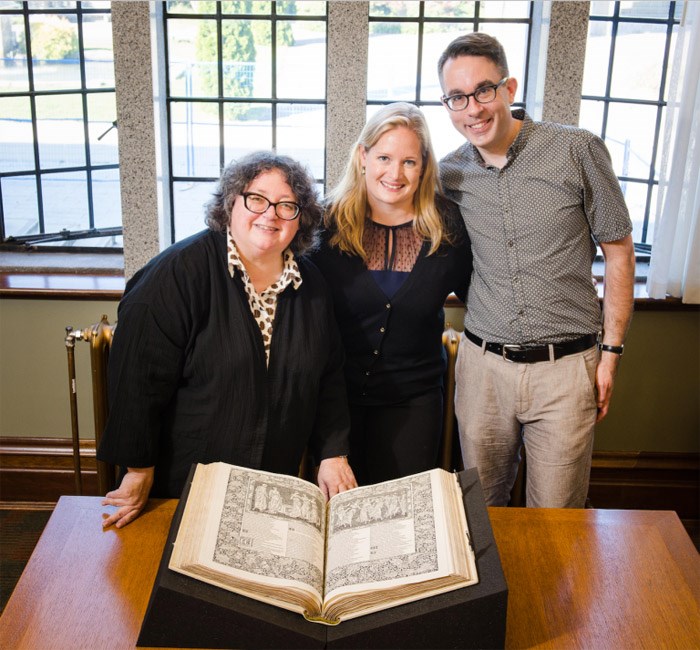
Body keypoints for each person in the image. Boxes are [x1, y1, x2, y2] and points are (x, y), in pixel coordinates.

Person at [97, 151, 357, 528]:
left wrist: (333, 453)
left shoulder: (311, 283)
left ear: (300, 220)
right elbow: (138, 382)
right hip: (186, 488)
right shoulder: (175, 276)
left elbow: (328, 375)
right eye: (256, 199)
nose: (270, 214)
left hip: (273, 487)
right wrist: (138, 470)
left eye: (287, 206)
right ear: (230, 203)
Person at [437, 33, 636, 508]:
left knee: (558, 518)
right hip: (482, 370)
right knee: (481, 513)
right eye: (457, 98)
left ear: (508, 88)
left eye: (483, 90)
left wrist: (610, 354)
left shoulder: (577, 150)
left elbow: (620, 252)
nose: (473, 109)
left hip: (565, 371)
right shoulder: (450, 174)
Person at [311, 102, 472, 486]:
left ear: (424, 166)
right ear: (363, 157)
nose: (395, 174)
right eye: (384, 157)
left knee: (400, 522)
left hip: (413, 403)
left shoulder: (449, 228)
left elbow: (485, 298)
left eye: (409, 162)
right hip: (335, 403)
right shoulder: (324, 226)